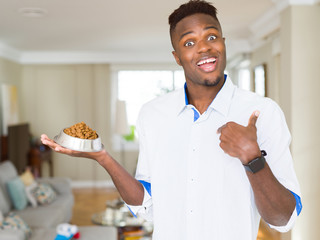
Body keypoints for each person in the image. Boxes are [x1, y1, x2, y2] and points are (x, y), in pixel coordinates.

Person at [41, 0, 302, 239]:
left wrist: (252, 158)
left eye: (211, 36)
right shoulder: (153, 114)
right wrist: (103, 157)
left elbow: (283, 219)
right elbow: (147, 205)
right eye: (189, 43)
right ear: (177, 56)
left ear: (223, 42)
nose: (204, 47)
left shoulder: (262, 112)